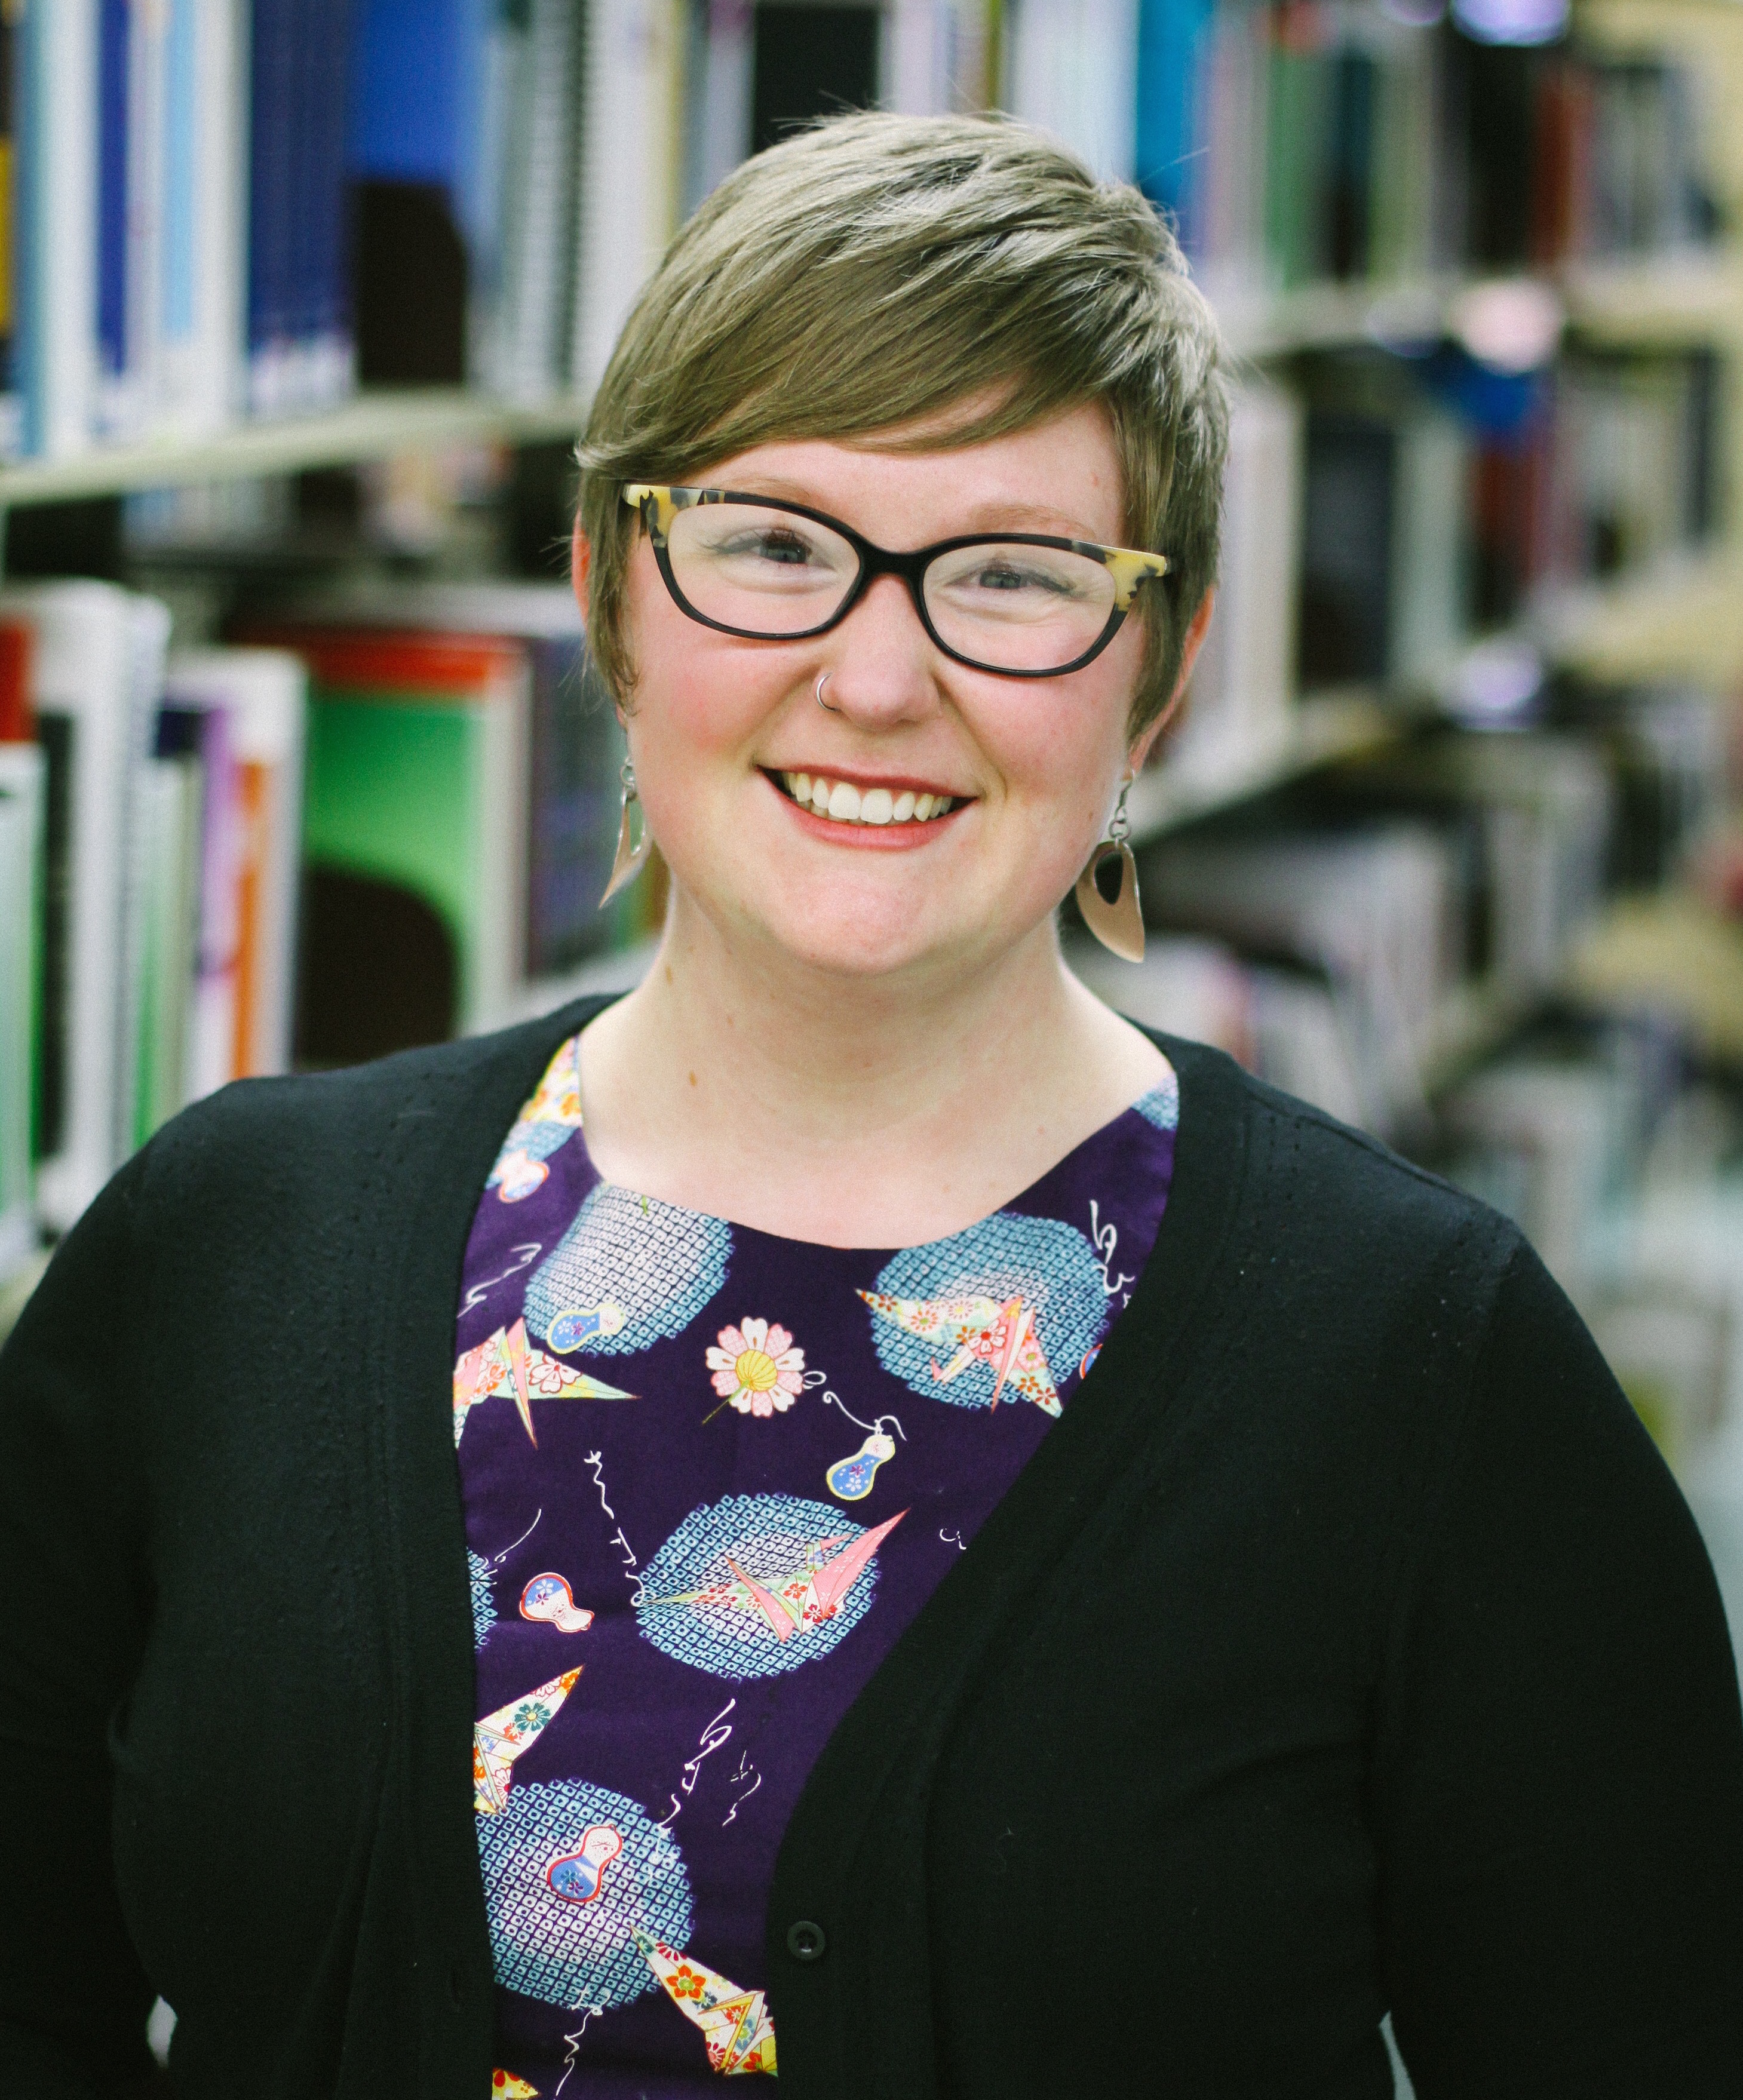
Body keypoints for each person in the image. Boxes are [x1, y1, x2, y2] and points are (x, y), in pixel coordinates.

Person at [2, 112, 1741, 2100]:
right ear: (611, 594)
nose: (878, 676)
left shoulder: (1423, 1367)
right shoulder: (227, 1247)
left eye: (1010, 577)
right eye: (774, 544)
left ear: (1158, 672)